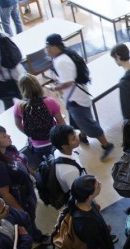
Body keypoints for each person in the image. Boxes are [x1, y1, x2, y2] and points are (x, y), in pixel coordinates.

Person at [44, 33, 114, 162]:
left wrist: (55, 88)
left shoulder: (61, 61)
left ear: (54, 47)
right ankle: (82, 136)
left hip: (76, 99)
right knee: (79, 120)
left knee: (87, 122)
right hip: (76, 96)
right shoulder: (66, 54)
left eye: (47, 47)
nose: (46, 50)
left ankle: (106, 145)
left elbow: (68, 82)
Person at [0, 125, 48, 244]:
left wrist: (33, 173)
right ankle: (35, 237)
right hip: (20, 199)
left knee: (31, 215)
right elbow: (4, 193)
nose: (9, 136)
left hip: (28, 190)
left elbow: (22, 162)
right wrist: (20, 210)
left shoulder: (9, 149)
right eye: (4, 136)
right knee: (27, 219)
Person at [14, 73, 66, 160]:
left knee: (47, 164)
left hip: (37, 145)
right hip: (54, 140)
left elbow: (18, 125)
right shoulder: (50, 102)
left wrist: (29, 134)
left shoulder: (18, 106)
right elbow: (61, 123)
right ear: (38, 86)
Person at [49, 124, 86, 201]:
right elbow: (78, 193)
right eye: (73, 138)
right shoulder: (70, 171)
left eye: (75, 134)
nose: (77, 137)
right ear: (64, 146)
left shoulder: (57, 151)